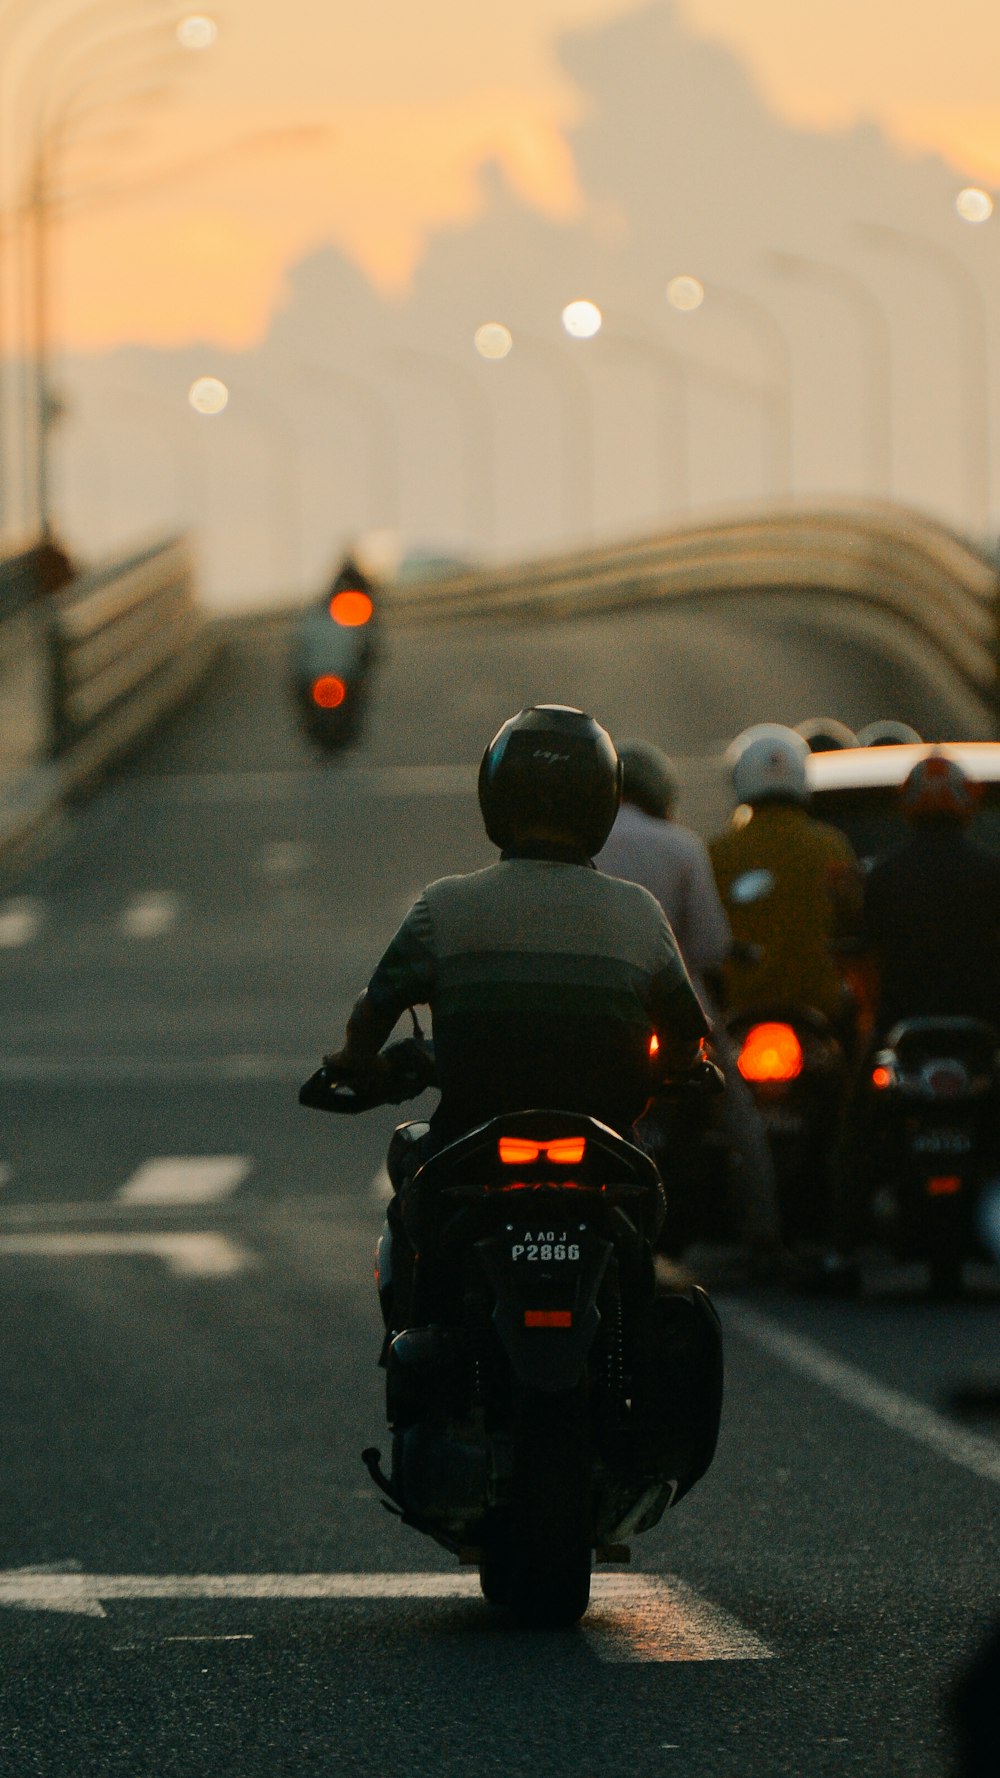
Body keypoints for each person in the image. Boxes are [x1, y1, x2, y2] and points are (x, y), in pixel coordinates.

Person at [325, 706, 710, 1155]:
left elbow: (374, 1009)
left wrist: (353, 1061)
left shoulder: (443, 905)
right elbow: (686, 1031)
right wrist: (681, 1066)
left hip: (469, 1149)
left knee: (408, 1201)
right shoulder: (640, 911)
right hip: (605, 1154)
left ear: (495, 796)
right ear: (602, 800)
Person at [597, 739, 786, 1268]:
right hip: (678, 1011)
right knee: (737, 1113)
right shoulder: (680, 846)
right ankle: (765, 1234)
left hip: (597, 1012)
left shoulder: (583, 846)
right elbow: (707, 946)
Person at [820, 753, 1000, 1284]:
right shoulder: (992, 871)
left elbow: (854, 946)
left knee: (854, 1134)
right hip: (984, 1033)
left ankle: (840, 1251)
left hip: (900, 1030)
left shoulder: (884, 875)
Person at [709, 724, 862, 1038]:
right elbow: (855, 920)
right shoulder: (833, 845)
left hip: (741, 1010)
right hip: (822, 1007)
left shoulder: (719, 851)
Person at [863, 752, 1000, 1035]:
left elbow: (867, 953)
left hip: (897, 1023)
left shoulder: (884, 874)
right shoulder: (991, 871)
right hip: (985, 1024)